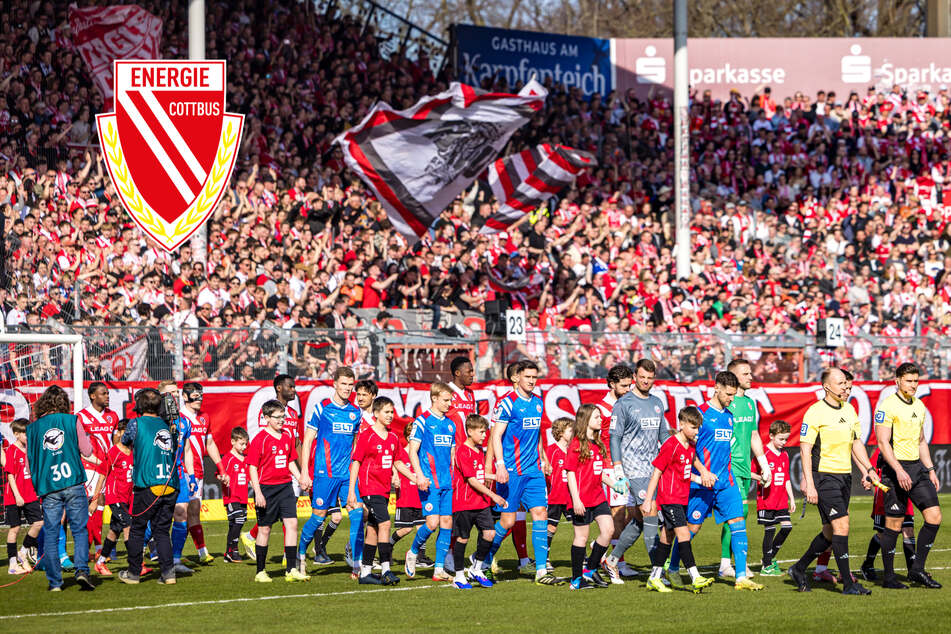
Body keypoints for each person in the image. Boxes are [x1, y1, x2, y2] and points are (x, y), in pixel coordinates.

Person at [667, 371, 763, 591]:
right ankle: (672, 568)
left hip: (726, 482)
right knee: (691, 528)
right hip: (701, 484)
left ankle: (741, 578)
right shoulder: (700, 414)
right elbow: (688, 448)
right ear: (716, 388)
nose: (731, 398)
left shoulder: (729, 417)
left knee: (738, 523)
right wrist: (702, 473)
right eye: (728, 394)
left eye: (734, 394)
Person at [788, 367, 880, 595]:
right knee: (842, 525)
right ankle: (848, 584)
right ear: (826, 387)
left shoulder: (849, 410)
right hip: (824, 476)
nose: (845, 387)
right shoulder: (815, 412)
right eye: (840, 383)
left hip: (844, 477)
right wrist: (809, 482)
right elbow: (805, 450)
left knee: (830, 532)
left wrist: (868, 469)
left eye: (846, 384)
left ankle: (798, 569)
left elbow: (856, 444)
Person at [484, 360, 562, 586]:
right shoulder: (507, 403)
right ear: (516, 377)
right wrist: (499, 465)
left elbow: (537, 434)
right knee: (508, 521)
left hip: (533, 470)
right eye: (528, 377)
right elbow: (496, 435)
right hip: (512, 471)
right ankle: (483, 559)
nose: (532, 381)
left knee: (540, 513)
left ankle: (541, 570)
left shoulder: (538, 402)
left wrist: (544, 458)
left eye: (534, 377)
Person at [874, 362, 943, 589]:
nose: (913, 385)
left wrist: (930, 470)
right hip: (895, 471)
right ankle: (889, 578)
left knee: (934, 517)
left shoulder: (919, 405)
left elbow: (921, 441)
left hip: (916, 469)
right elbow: (883, 442)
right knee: (893, 526)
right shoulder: (887, 406)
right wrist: (898, 470)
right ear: (897, 381)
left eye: (916, 381)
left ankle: (917, 570)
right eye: (909, 381)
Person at [27, 385, 96, 591]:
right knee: (79, 530)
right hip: (72, 481)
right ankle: (82, 570)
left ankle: (55, 582)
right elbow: (87, 451)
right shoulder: (72, 420)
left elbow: (30, 464)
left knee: (51, 532)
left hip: (49, 486)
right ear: (64, 403)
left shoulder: (33, 428)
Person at [603, 359, 667, 581]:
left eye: (649, 378)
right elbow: (614, 437)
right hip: (633, 468)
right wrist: (618, 468)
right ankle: (657, 573)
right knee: (650, 512)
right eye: (641, 377)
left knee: (640, 519)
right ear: (634, 378)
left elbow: (663, 435)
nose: (645, 381)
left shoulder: (657, 403)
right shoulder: (623, 404)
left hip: (653, 469)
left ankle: (611, 561)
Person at [297, 367, 363, 575]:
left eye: (350, 385)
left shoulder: (356, 412)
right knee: (318, 517)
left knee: (357, 513)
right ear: (334, 384)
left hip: (346, 475)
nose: (347, 388)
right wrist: (304, 473)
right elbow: (308, 440)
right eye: (343, 384)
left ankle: (357, 564)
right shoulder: (322, 408)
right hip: (324, 474)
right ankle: (300, 554)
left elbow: (355, 444)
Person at [642, 406, 713, 593]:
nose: (696, 432)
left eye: (698, 428)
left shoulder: (691, 444)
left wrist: (703, 473)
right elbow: (656, 473)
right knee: (684, 535)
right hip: (670, 498)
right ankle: (696, 577)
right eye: (693, 427)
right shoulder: (671, 445)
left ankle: (654, 578)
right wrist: (648, 500)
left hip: (682, 499)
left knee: (667, 537)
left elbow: (692, 461)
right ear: (681, 424)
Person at [117, 388, 179, 586]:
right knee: (162, 531)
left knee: (137, 529)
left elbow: (124, 442)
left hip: (148, 484)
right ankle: (168, 574)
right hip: (170, 484)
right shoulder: (167, 425)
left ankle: (133, 573)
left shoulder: (136, 423)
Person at [247, 399, 309, 583]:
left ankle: (291, 570)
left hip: (285, 487)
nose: (282, 420)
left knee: (292, 524)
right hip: (266, 489)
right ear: (266, 418)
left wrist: (300, 478)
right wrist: (258, 492)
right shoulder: (260, 439)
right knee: (264, 529)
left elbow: (290, 461)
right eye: (277, 417)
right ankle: (260, 571)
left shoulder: (287, 435)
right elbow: (252, 467)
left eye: (283, 416)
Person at [566, 404, 626, 590]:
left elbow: (598, 472)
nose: (601, 420)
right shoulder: (576, 444)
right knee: (581, 538)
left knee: (608, 530)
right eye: (596, 417)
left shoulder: (598, 444)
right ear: (586, 420)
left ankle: (590, 570)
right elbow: (570, 473)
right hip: (581, 499)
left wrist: (614, 485)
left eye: (600, 417)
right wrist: (576, 499)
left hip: (598, 497)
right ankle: (576, 580)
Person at [242, 375, 303, 559]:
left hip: (288, 468)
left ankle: (287, 556)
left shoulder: (293, 414)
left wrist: (303, 472)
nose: (294, 390)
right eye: (290, 386)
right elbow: (265, 440)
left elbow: (296, 442)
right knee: (278, 514)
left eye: (294, 387)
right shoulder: (267, 411)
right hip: (270, 471)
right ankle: (253, 536)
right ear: (278, 388)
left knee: (289, 514)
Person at [722, 358, 772, 579]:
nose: (751, 377)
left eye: (750, 373)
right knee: (737, 513)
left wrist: (763, 464)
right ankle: (730, 564)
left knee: (739, 513)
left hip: (743, 467)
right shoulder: (726, 402)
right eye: (745, 374)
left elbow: (753, 435)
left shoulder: (750, 403)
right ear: (733, 377)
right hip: (728, 466)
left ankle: (726, 564)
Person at [347, 396, 401, 585]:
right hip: (370, 488)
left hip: (384, 489)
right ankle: (386, 569)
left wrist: (414, 477)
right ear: (376, 413)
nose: (390, 415)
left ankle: (365, 573)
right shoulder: (367, 435)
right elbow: (356, 463)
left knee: (373, 529)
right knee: (385, 524)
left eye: (392, 412)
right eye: (386, 412)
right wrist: (351, 491)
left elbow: (398, 462)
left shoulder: (393, 437)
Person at [405, 382, 456, 582]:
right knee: (432, 523)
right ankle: (413, 552)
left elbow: (451, 454)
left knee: (447, 522)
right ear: (434, 398)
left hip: (447, 482)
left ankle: (439, 569)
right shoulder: (422, 421)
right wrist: (419, 475)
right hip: (429, 481)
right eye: (446, 400)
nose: (449, 404)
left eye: (450, 400)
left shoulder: (450, 425)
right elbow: (412, 451)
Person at [452, 414, 505, 589]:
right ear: (469, 431)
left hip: (480, 503)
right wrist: (493, 495)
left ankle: (476, 569)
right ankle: (459, 576)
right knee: (462, 538)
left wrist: (496, 476)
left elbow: (480, 474)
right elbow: (472, 480)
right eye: (481, 432)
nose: (484, 435)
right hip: (464, 503)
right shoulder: (462, 451)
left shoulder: (479, 450)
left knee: (489, 533)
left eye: (485, 432)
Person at [594, 363, 634, 583]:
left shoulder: (629, 405)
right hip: (610, 467)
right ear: (612, 384)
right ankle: (617, 563)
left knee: (631, 515)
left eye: (630, 385)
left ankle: (600, 548)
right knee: (617, 515)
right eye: (624, 386)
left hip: (628, 465)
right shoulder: (601, 409)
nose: (628, 389)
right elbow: (594, 440)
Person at [181, 382, 227, 564]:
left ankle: (197, 552)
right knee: (180, 512)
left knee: (193, 510)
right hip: (181, 471)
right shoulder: (178, 417)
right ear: (185, 396)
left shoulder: (204, 417)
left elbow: (210, 443)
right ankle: (155, 549)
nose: (199, 399)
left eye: (201, 395)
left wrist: (221, 467)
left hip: (197, 472)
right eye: (195, 395)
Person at [76, 382, 119, 562]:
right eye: (103, 393)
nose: (107, 396)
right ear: (93, 396)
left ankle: (100, 547)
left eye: (108, 393)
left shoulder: (113, 416)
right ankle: (94, 548)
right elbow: (78, 445)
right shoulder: (81, 416)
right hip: (91, 467)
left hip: (109, 466)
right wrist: (94, 460)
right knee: (94, 503)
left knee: (105, 504)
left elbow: (115, 442)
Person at [859, 447, 916, 582]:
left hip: (904, 495)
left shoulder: (907, 446)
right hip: (885, 498)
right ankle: (867, 565)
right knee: (882, 534)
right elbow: (870, 467)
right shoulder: (883, 448)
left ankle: (913, 571)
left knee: (908, 530)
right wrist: (867, 477)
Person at [157, 380, 196, 577]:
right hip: (159, 475)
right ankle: (141, 557)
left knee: (181, 514)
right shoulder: (155, 421)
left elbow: (187, 450)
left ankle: (176, 559)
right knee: (155, 519)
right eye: (171, 392)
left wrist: (192, 476)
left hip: (179, 475)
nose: (176, 396)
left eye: (177, 392)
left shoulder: (185, 421)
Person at [94, 419, 135, 577]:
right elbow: (102, 474)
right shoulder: (114, 451)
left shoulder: (133, 450)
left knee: (114, 531)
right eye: (126, 431)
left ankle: (100, 563)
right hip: (115, 497)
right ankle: (136, 565)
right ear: (119, 433)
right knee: (128, 527)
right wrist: (96, 498)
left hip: (127, 497)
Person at [755, 420, 795, 576]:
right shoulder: (762, 453)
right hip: (767, 501)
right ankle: (767, 566)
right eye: (781, 439)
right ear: (771, 436)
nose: (784, 442)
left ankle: (768, 558)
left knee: (787, 527)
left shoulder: (784, 454)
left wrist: (792, 498)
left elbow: (786, 478)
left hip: (781, 501)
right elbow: (750, 472)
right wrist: (761, 478)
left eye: (786, 439)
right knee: (770, 530)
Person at [5, 418, 43, 575]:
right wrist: (17, 496)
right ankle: (13, 564)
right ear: (16, 434)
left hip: (30, 494)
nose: (29, 436)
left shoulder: (30, 450)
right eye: (26, 434)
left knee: (39, 523)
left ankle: (23, 552)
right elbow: (10, 475)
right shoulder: (12, 450)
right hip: (15, 496)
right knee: (15, 528)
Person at [390, 422, 428, 566]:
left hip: (421, 497)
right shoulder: (401, 453)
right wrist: (394, 475)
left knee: (423, 527)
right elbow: (395, 464)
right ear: (407, 438)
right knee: (406, 528)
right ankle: (388, 545)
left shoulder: (421, 455)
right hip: (405, 498)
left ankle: (420, 556)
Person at [544, 417, 574, 557]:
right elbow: (546, 472)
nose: (573, 433)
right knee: (551, 527)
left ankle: (582, 556)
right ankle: (544, 557)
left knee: (579, 526)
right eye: (570, 430)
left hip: (571, 497)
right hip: (555, 497)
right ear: (561, 432)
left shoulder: (573, 451)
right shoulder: (552, 450)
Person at [222, 427, 250, 563]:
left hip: (243, 497)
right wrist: (222, 477)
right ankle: (233, 549)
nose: (244, 447)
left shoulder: (246, 459)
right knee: (238, 520)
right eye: (241, 444)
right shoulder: (228, 458)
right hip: (231, 497)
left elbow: (250, 477)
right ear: (233, 442)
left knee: (235, 523)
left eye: (246, 444)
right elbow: (219, 473)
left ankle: (229, 552)